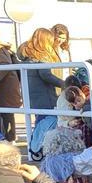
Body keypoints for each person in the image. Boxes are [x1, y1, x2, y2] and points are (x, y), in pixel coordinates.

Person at [19, 28, 69, 160]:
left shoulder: (28, 56)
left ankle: (36, 149)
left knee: (40, 122)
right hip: (45, 96)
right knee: (47, 123)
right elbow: (46, 75)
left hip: (32, 96)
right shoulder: (41, 57)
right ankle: (38, 149)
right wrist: (64, 84)